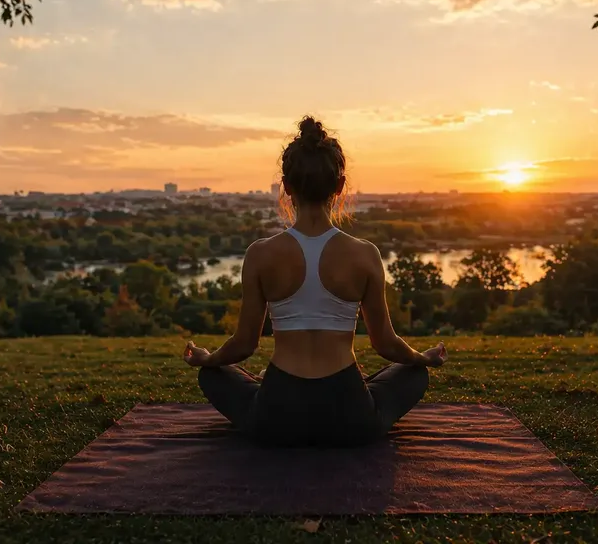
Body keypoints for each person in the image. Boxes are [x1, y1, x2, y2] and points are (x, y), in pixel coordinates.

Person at [182, 116, 447, 446]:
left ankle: (263, 385)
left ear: (287, 186)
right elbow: (385, 344)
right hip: (350, 416)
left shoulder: (260, 254)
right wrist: (424, 358)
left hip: (276, 416)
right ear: (339, 186)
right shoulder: (365, 254)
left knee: (212, 376)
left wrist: (207, 359)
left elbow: (244, 344)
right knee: (414, 374)